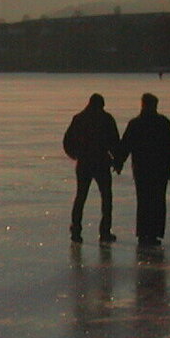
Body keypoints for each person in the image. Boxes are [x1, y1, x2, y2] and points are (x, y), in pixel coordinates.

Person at [116, 93, 170, 247]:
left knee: (144, 201)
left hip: (142, 169)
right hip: (159, 169)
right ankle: (154, 233)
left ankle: (144, 233)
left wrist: (118, 161)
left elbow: (126, 145)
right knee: (157, 201)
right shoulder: (163, 122)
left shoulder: (136, 123)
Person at [62, 93, 121, 244]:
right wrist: (117, 161)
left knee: (81, 196)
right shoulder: (106, 119)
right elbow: (114, 141)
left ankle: (76, 230)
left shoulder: (79, 118)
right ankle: (105, 231)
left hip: (84, 163)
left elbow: (67, 140)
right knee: (106, 198)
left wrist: (75, 154)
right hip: (101, 163)